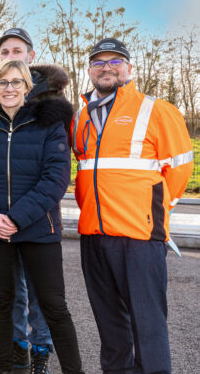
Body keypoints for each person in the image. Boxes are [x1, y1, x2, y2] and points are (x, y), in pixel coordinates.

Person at [72, 38, 193, 374]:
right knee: (110, 326)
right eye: (99, 62)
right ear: (89, 70)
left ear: (129, 68)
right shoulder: (80, 117)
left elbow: (180, 168)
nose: (106, 68)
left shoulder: (157, 110)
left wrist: (153, 212)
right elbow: (85, 170)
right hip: (94, 235)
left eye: (115, 61)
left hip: (139, 236)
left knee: (148, 325)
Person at [0, 58, 84, 374]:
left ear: (27, 88)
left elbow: (56, 178)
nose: (9, 88)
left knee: (53, 305)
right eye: (2, 83)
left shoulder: (48, 123)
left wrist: (16, 218)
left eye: (16, 82)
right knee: (1, 301)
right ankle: (6, 367)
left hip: (38, 228)